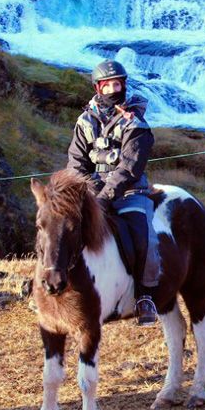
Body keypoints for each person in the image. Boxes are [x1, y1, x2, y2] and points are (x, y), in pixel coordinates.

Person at [67, 59, 160, 326]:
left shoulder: (136, 123)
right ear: (98, 87)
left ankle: (145, 297)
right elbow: (76, 162)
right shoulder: (84, 121)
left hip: (131, 191)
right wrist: (92, 191)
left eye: (117, 84)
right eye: (107, 85)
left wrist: (106, 196)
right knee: (61, 228)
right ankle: (54, 281)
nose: (112, 90)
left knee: (145, 239)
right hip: (92, 190)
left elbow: (130, 166)